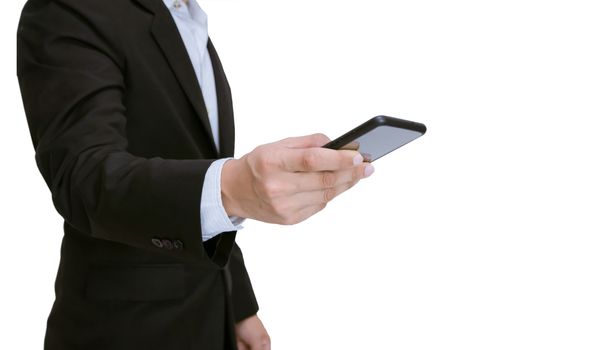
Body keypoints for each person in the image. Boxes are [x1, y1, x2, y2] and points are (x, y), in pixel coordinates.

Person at [16, 0, 374, 349]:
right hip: (124, 329)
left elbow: (200, 162)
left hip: (209, 312)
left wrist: (239, 307)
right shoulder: (66, 8)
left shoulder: (187, 18)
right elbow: (84, 177)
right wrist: (231, 187)